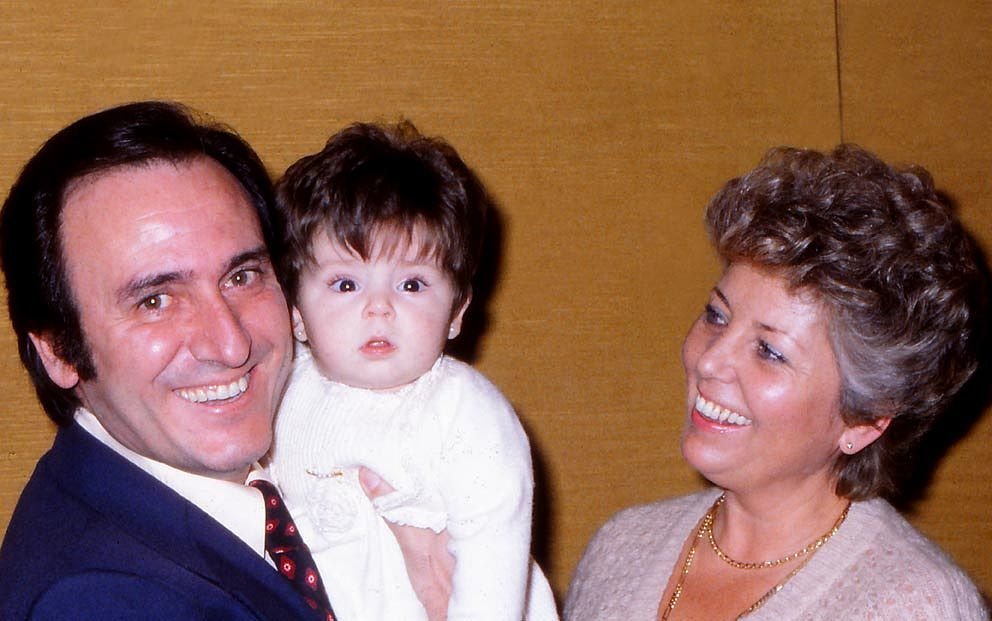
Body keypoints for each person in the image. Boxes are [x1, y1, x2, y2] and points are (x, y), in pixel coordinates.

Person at [0, 101, 452, 620]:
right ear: (59, 350)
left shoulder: (308, 454)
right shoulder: (102, 600)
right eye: (155, 301)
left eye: (242, 276)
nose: (231, 344)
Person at [564, 145, 989, 620]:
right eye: (716, 316)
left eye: (769, 351)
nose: (711, 360)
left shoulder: (911, 605)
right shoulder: (621, 547)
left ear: (865, 419)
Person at [267, 120, 558, 620]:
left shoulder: (465, 414)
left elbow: (494, 571)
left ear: (458, 312)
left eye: (412, 285)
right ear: (295, 311)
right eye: (345, 285)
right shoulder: (283, 390)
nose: (379, 308)